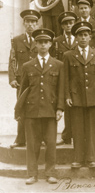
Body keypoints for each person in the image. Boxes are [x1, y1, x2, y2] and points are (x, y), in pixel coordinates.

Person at [18, 28, 64, 185]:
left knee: (51, 144)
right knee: (32, 144)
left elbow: (61, 89)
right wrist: (20, 111)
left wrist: (60, 108)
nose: (43, 45)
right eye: (40, 42)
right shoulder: (27, 66)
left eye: (46, 42)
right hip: (32, 111)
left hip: (50, 111)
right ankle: (32, 174)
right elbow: (22, 91)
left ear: (50, 44)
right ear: (35, 45)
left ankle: (50, 173)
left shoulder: (58, 65)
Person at [64, 21, 95, 169]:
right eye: (80, 35)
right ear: (76, 38)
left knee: (90, 129)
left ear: (90, 37)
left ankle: (91, 159)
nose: (83, 38)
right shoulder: (68, 55)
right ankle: (78, 159)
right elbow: (66, 78)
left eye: (86, 35)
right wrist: (68, 96)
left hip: (94, 97)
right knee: (77, 129)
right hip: (76, 98)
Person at [9, 9, 41, 149]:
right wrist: (12, 78)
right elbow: (12, 60)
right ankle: (20, 138)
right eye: (28, 22)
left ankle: (39, 138)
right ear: (24, 23)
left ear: (37, 24)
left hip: (37, 79)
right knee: (21, 107)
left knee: (39, 107)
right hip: (22, 81)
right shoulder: (16, 40)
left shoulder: (41, 39)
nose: (30, 25)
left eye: (33, 22)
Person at [51, 11, 78, 146]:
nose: (68, 26)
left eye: (71, 23)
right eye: (66, 23)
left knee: (77, 107)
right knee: (64, 106)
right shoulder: (56, 41)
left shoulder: (80, 39)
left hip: (77, 77)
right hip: (62, 77)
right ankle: (66, 136)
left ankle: (78, 136)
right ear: (62, 26)